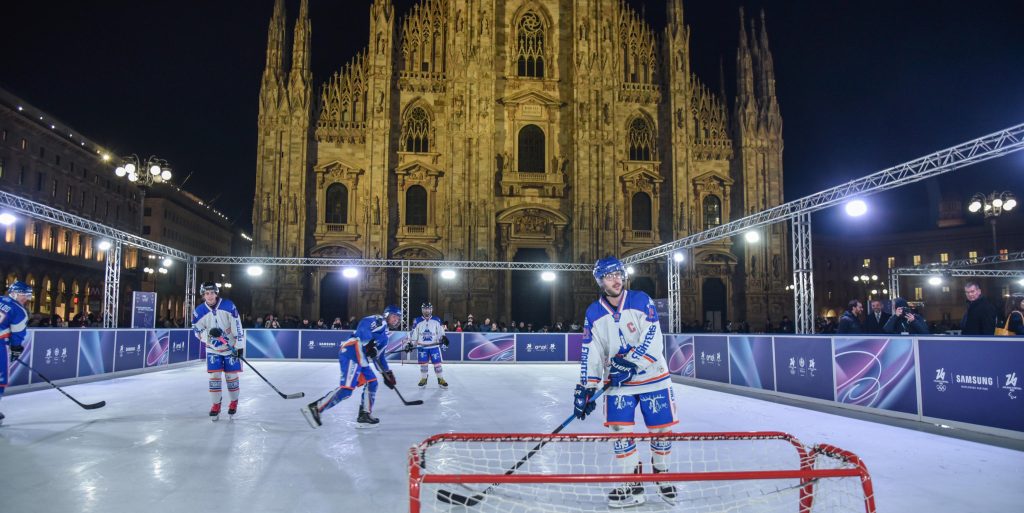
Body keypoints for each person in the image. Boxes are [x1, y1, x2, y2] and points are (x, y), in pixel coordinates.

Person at [574, 256, 678, 507]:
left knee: (662, 431)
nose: (616, 280)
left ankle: (662, 473)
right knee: (620, 432)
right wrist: (587, 387)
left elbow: (653, 336)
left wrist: (632, 363)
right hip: (618, 384)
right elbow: (592, 350)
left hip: (654, 377)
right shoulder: (594, 312)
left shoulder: (641, 300)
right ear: (600, 281)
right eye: (610, 276)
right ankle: (633, 482)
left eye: (619, 274)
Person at [302, 305, 402, 429]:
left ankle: (364, 415)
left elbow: (379, 358)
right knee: (347, 389)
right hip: (353, 349)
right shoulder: (379, 320)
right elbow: (364, 325)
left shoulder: (386, 337)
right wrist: (369, 342)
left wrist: (387, 373)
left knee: (372, 382)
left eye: (398, 317)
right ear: (386, 315)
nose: (396, 320)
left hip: (361, 356)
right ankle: (316, 408)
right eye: (394, 316)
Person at [191, 282, 246, 419]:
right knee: (214, 376)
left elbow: (237, 325)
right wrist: (208, 336)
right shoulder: (199, 311)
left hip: (231, 348)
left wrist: (239, 346)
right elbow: (197, 331)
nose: (210, 296)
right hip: (213, 349)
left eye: (212, 293)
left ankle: (234, 401)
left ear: (216, 293)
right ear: (203, 295)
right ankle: (216, 404)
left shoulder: (228, 306)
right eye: (206, 293)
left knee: (231, 377)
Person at [0, 281, 32, 426]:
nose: (26, 298)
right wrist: (16, 349)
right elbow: (17, 334)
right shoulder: (19, 311)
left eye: (28, 295)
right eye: (24, 295)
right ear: (14, 293)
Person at [405, 302, 448, 388]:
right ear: (422, 310)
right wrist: (410, 344)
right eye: (425, 309)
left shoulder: (436, 320)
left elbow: (440, 332)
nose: (427, 311)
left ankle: (440, 379)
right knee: (423, 364)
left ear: (431, 310)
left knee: (437, 364)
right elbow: (414, 334)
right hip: (422, 347)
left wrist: (443, 338)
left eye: (428, 309)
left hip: (434, 346)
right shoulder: (417, 320)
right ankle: (424, 378)